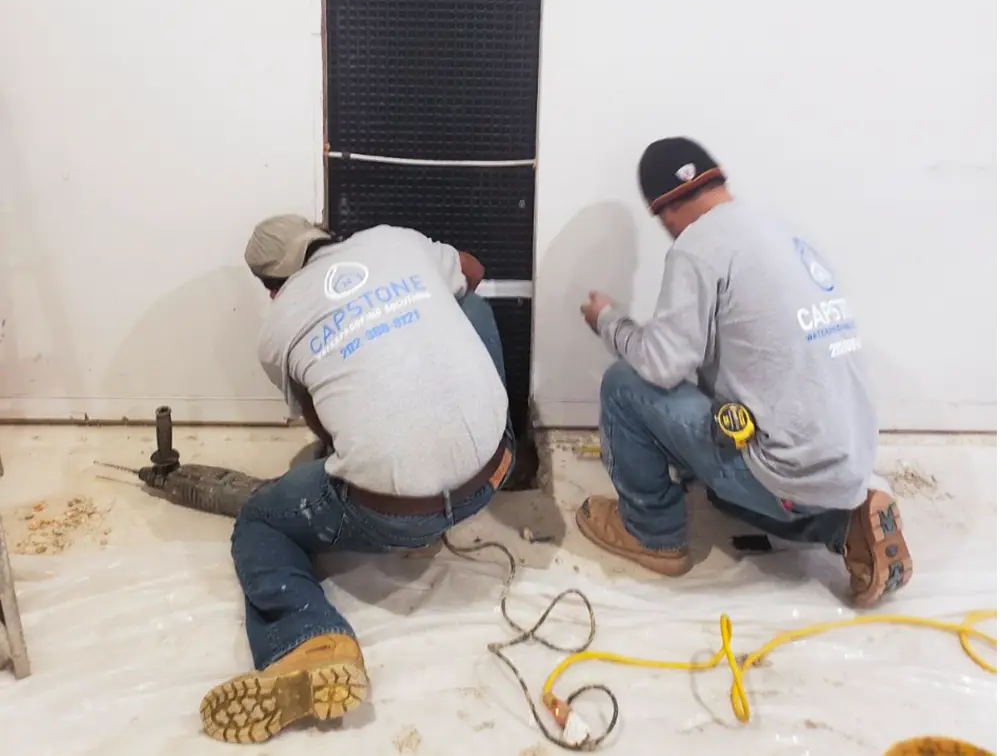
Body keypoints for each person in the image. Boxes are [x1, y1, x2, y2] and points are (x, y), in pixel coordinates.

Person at [200, 215, 517, 744]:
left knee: (259, 522)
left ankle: (308, 639)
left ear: (270, 287)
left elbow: (322, 426)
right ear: (321, 234)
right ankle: (502, 452)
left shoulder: (277, 331)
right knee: (469, 302)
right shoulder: (392, 240)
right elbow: (474, 270)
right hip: (493, 468)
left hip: (393, 516)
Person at [577, 137, 912, 606]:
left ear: (664, 211)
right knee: (724, 482)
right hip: (850, 466)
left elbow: (662, 364)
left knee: (622, 386)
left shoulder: (698, 246)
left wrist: (609, 321)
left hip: (787, 475)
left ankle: (652, 534)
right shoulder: (779, 230)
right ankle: (847, 524)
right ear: (717, 179)